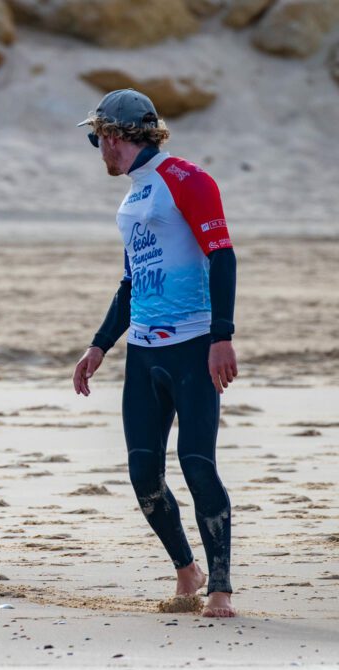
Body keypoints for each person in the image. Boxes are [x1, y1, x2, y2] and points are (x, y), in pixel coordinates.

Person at [73, 89, 238, 618]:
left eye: (97, 138)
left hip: (193, 348)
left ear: (115, 136)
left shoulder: (188, 180)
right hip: (143, 352)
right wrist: (100, 345)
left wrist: (222, 335)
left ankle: (220, 588)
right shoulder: (131, 196)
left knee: (197, 465)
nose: (97, 148)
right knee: (144, 473)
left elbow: (223, 256)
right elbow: (131, 281)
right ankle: (185, 569)